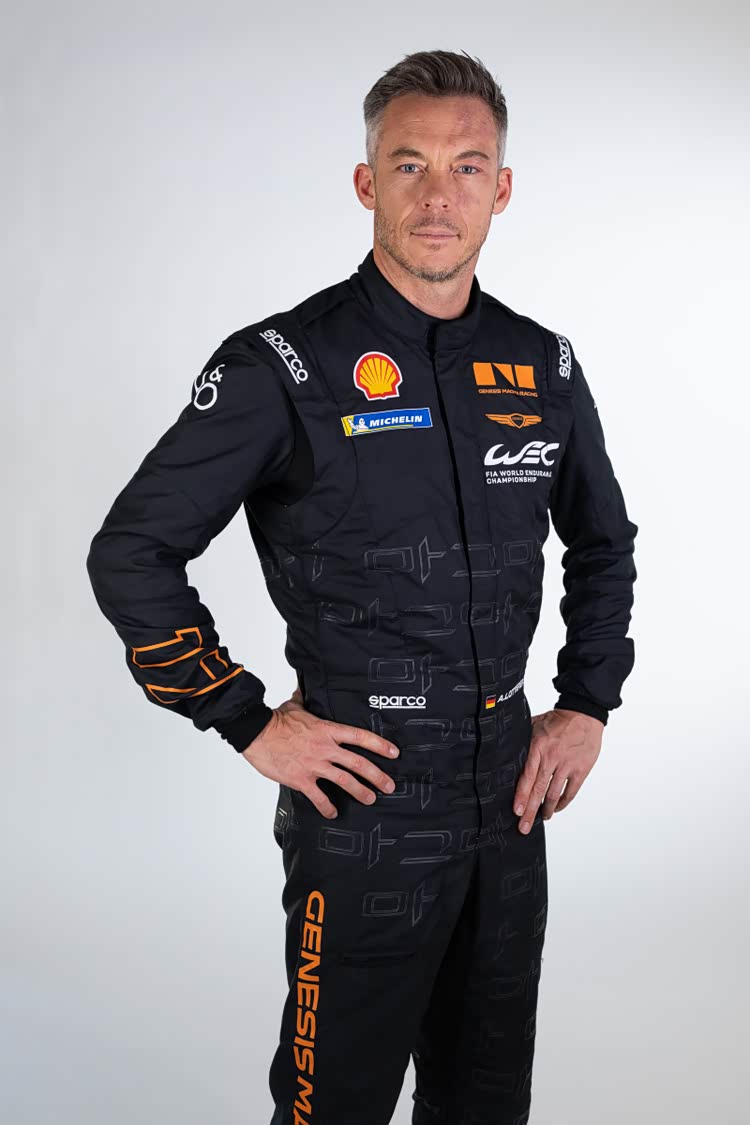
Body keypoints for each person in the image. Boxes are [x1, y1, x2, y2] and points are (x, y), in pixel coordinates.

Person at [86, 48, 637, 1125]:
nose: (439, 197)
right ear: (365, 181)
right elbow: (131, 552)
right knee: (329, 1105)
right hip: (365, 801)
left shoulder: (542, 364)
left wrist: (586, 702)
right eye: (409, 164)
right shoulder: (282, 366)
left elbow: (604, 544)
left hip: (510, 801)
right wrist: (244, 718)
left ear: (502, 189)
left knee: (486, 1101)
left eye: (467, 168)